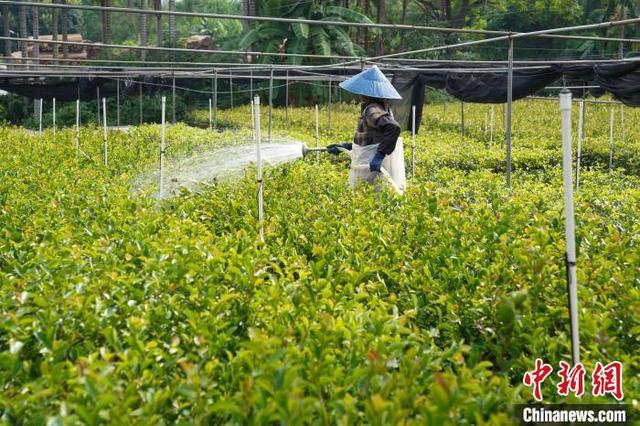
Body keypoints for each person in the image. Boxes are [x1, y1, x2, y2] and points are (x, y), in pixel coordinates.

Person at [326, 65, 404, 192]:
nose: (358, 94)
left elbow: (393, 128)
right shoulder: (379, 108)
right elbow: (373, 137)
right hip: (368, 164)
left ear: (366, 93)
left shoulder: (372, 109)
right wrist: (346, 146)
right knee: (376, 197)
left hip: (372, 166)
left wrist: (379, 155)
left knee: (370, 197)